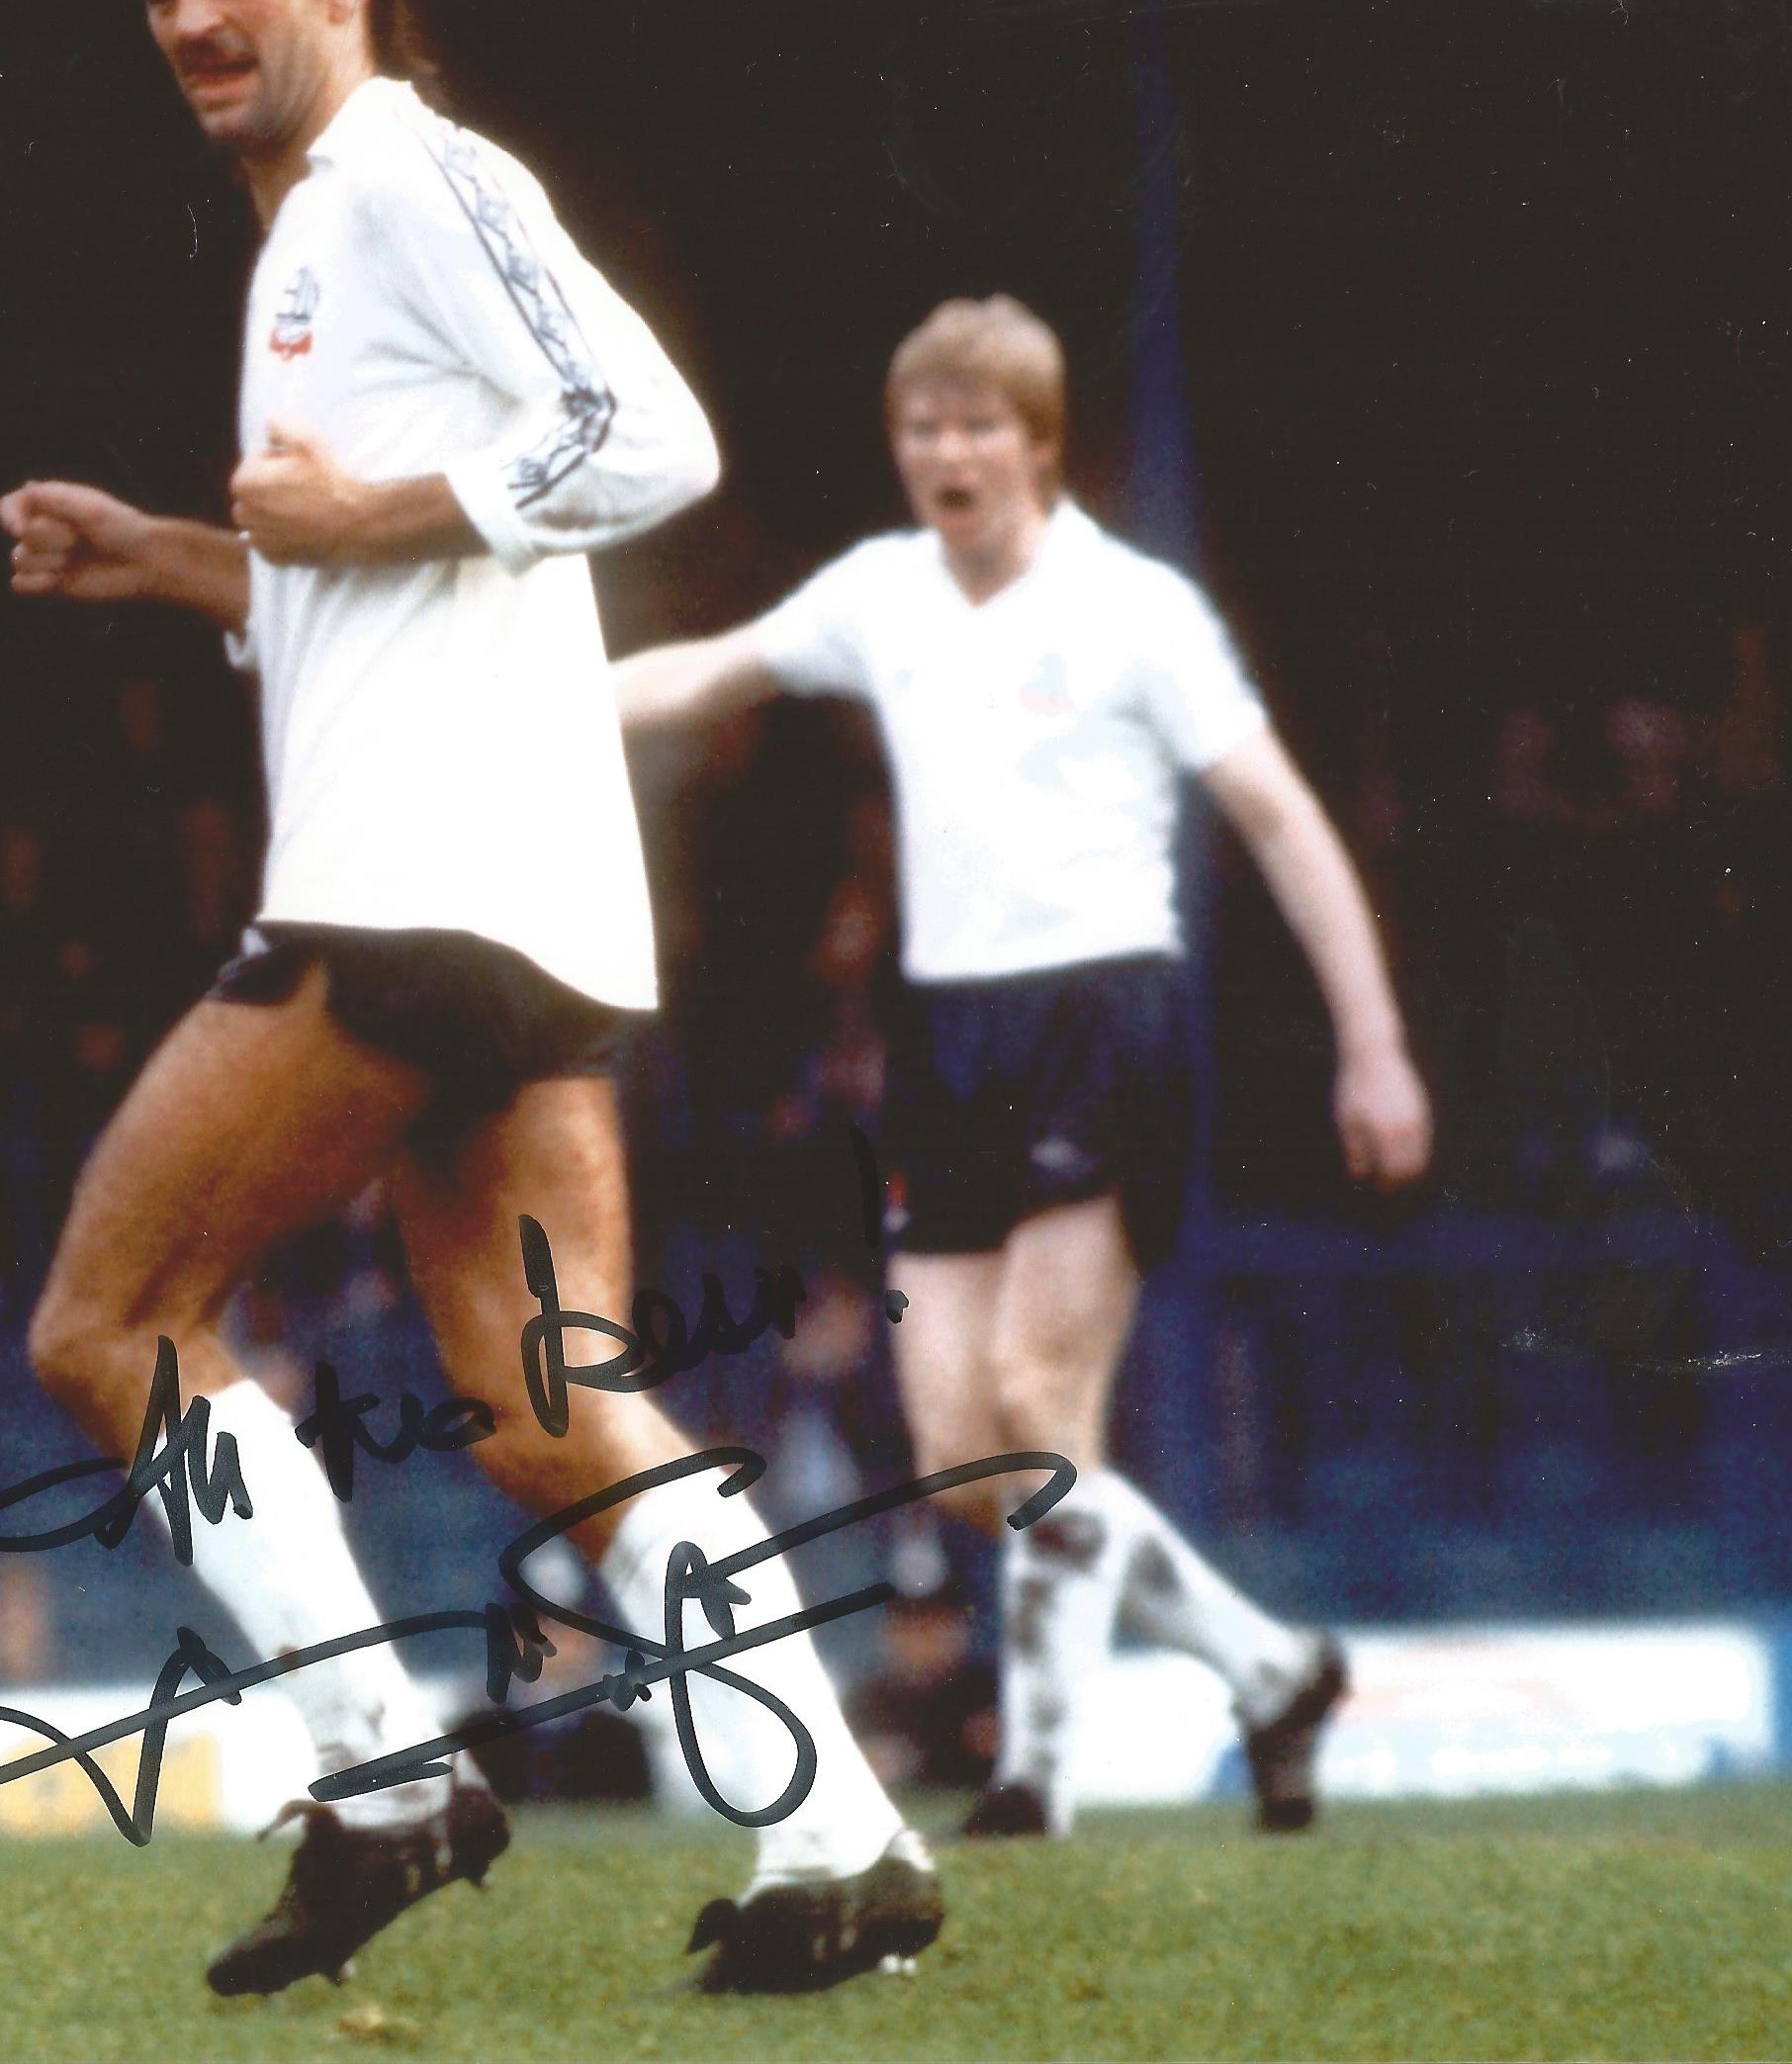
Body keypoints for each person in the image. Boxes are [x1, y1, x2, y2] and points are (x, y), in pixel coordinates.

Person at [0, 0, 947, 1998]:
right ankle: (841, 1844)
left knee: (103, 1324)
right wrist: (174, 559)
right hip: (496, 896)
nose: (188, 18)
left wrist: (370, 513)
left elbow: (652, 440)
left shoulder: (410, 174)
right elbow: (375, 581)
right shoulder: (311, 236)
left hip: (418, 883)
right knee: (542, 1409)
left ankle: (381, 1781)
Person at [614, 294, 1436, 1839]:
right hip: (950, 1039)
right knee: (955, 1453)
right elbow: (710, 672)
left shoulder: (1138, 609)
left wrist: (1372, 1039)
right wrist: (540, 713)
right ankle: (1272, 1666)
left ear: (1040, 446)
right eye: (923, 427)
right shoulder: (881, 592)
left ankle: (1036, 1779)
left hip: (1105, 1022)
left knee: (1044, 1397)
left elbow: (1279, 816)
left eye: (980, 424)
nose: (948, 451)